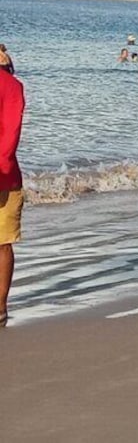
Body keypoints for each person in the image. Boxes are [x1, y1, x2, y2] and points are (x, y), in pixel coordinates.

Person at [0, 54, 24, 327]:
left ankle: (1, 306)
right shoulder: (12, 85)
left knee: (3, 242)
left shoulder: (10, 86)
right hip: (6, 173)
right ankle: (0, 306)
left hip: (5, 174)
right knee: (3, 242)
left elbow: (10, 135)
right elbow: (11, 133)